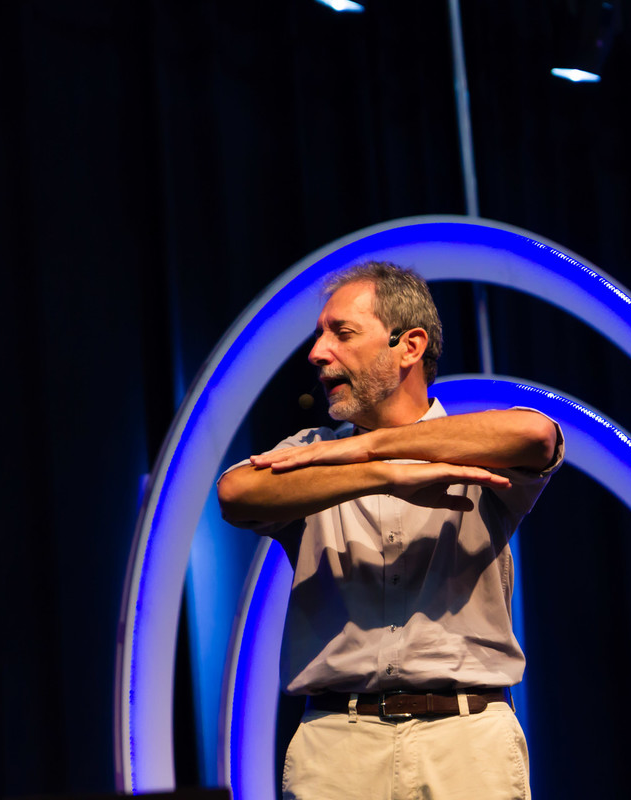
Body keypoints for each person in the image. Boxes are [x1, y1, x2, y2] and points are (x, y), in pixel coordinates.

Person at [217, 261, 563, 800]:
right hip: (337, 747)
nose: (317, 352)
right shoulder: (313, 454)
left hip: (465, 742)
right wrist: (377, 474)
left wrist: (372, 444)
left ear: (409, 345)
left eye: (342, 333)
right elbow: (235, 496)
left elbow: (537, 435)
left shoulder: (468, 446)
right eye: (319, 335)